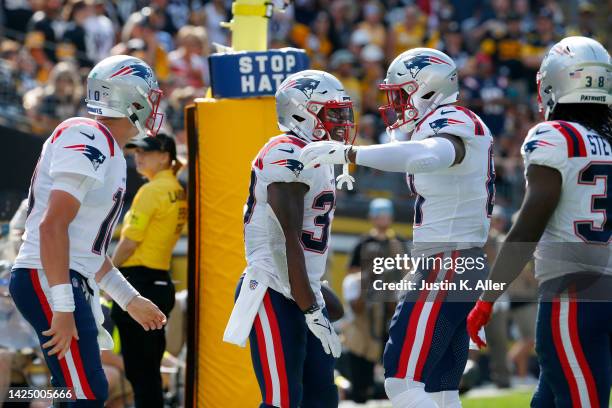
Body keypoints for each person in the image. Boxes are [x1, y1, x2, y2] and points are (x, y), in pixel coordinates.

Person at [300, 48, 495, 408]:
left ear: (427, 87)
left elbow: (430, 155)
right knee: (441, 391)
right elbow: (410, 149)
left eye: (401, 92)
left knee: (401, 380)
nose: (396, 103)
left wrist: (350, 153)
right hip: (459, 261)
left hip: (447, 262)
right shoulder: (452, 119)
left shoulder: (452, 121)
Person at [9, 54, 167, 406]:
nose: (153, 102)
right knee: (89, 391)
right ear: (129, 96)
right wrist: (63, 307)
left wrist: (129, 299)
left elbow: (87, 252)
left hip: (59, 274)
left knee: (72, 389)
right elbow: (53, 226)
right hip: (46, 274)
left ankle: (17, 401)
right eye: (148, 94)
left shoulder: (107, 147)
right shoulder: (88, 135)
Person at [467, 36, 612, 408]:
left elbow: (532, 219)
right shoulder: (608, 143)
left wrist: (487, 298)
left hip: (571, 297)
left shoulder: (554, 135)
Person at [224, 70, 356, 407]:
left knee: (323, 399)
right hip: (272, 288)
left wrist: (316, 293)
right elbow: (286, 241)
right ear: (302, 111)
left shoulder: (317, 156)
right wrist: (311, 307)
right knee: (283, 400)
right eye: (332, 112)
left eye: (343, 112)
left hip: (299, 287)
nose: (341, 121)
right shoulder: (285, 150)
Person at [111, 133, 187, 408]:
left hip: (139, 284)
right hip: (158, 282)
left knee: (142, 376)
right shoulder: (176, 189)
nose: (137, 157)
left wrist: (106, 273)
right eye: (135, 152)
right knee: (149, 374)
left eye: (145, 152)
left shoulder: (152, 191)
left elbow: (130, 242)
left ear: (165, 156)